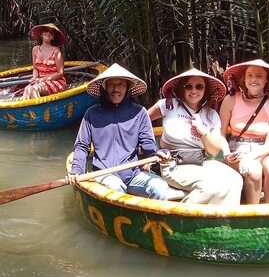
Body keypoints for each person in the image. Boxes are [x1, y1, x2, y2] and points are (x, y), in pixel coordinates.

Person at [67, 64, 185, 200]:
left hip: (133, 174)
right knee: (116, 188)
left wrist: (158, 153)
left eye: (121, 84)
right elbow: (82, 145)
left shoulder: (139, 113)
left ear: (127, 87)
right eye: (111, 84)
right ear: (105, 88)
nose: (116, 89)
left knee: (160, 188)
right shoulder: (92, 114)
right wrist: (76, 170)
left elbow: (148, 143)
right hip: (103, 173)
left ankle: (154, 221)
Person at [147, 68, 243, 205]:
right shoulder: (168, 105)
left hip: (202, 162)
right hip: (173, 164)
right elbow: (142, 120)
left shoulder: (211, 114)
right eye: (188, 86)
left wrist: (202, 131)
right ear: (182, 88)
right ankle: (179, 218)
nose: (194, 91)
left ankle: (223, 220)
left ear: (205, 90)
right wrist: (149, 150)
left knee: (235, 179)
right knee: (209, 186)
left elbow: (214, 151)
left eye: (199, 86)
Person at [219, 59, 269, 204]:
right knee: (254, 171)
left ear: (266, 80)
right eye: (249, 75)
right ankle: (253, 214)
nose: (253, 79)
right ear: (244, 79)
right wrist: (226, 154)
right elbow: (221, 133)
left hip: (264, 150)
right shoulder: (230, 100)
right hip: (237, 148)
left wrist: (251, 157)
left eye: (259, 76)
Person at [22, 23, 67, 99]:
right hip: (40, 81)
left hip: (55, 81)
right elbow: (35, 68)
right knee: (27, 89)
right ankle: (26, 110)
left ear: (53, 37)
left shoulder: (56, 51)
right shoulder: (35, 49)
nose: (49, 33)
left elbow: (60, 73)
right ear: (41, 34)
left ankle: (37, 110)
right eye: (46, 31)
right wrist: (34, 77)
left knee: (33, 89)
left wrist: (44, 79)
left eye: (51, 33)